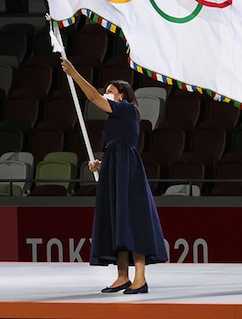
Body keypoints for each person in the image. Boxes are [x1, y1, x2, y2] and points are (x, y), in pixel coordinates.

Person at [60, 56, 167, 294]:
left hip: (128, 170)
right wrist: (103, 164)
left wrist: (74, 73)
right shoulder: (116, 117)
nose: (106, 94)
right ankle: (122, 276)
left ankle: (140, 278)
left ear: (122, 95)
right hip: (116, 167)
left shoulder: (128, 109)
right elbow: (117, 144)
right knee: (118, 221)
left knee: (132, 219)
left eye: (111, 91)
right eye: (106, 91)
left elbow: (92, 97)